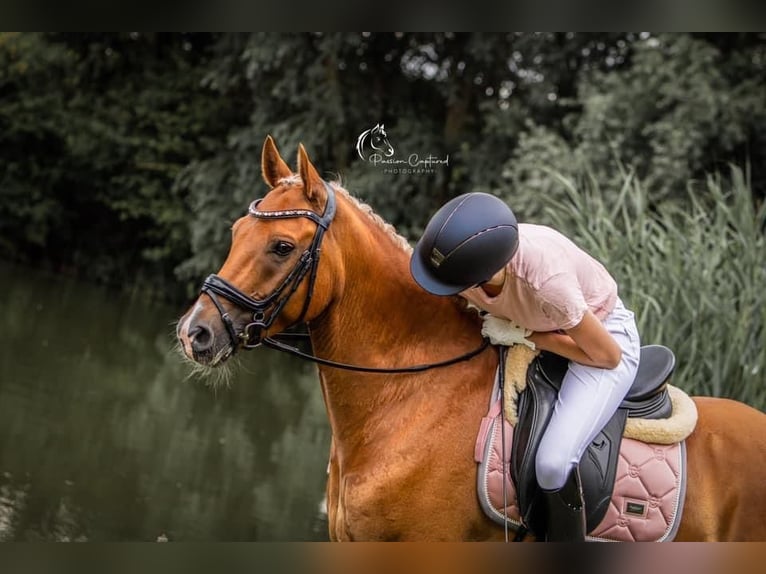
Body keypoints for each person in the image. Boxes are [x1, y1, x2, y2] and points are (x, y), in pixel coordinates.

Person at [409, 192, 640, 541]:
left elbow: (607, 356)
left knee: (552, 464)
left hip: (600, 339)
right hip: (531, 326)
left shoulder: (548, 282)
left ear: (484, 273)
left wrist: (525, 334)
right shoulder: (461, 262)